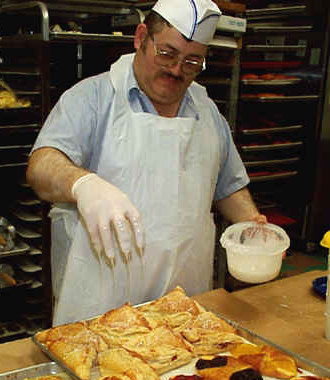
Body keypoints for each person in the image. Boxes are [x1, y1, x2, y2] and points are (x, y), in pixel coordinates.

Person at [26, 0, 266, 326]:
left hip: (184, 303)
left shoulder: (208, 113)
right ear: (140, 37)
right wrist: (83, 184)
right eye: (167, 54)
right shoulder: (92, 98)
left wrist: (253, 227)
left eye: (192, 62)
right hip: (100, 307)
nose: (177, 70)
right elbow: (41, 166)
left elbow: (227, 185)